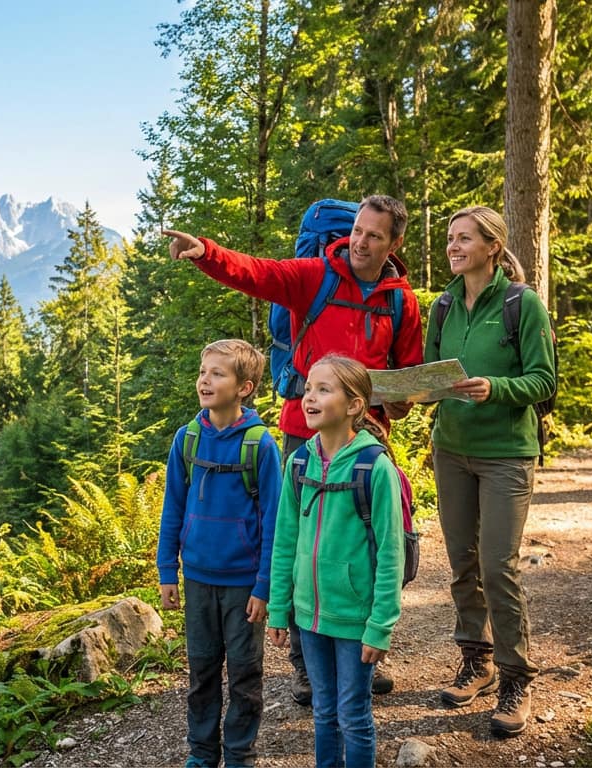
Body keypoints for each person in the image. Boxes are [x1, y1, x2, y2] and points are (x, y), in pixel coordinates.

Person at [163, 194, 422, 702]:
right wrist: (206, 253)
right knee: (303, 543)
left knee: (366, 545)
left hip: (365, 440)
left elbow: (407, 372)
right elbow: (258, 273)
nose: (361, 242)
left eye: (374, 235)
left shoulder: (399, 299)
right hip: (304, 434)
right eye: (357, 231)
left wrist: (400, 400)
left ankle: (363, 652)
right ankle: (307, 664)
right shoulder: (315, 276)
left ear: (395, 242)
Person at [424, 206, 557, 737]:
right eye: (450, 239)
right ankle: (476, 662)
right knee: (462, 562)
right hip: (451, 449)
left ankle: (515, 677)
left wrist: (495, 388)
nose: (453, 247)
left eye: (463, 239)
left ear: (492, 248)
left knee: (498, 566)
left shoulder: (522, 305)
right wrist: (409, 396)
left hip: (506, 452)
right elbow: (432, 376)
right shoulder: (442, 306)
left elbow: (544, 381)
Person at [267, 355, 403, 768]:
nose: (310, 397)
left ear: (355, 405)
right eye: (309, 388)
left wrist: (380, 627)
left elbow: (391, 553)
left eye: (324, 390)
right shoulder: (298, 462)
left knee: (354, 715)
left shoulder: (375, 468)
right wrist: (278, 608)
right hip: (308, 618)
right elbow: (284, 541)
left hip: (354, 619)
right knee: (324, 713)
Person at [158, 338, 284, 768]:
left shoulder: (261, 445)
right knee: (202, 672)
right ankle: (201, 753)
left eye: (217, 373)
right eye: (202, 372)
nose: (204, 381)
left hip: (243, 583)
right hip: (196, 577)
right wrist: (166, 572)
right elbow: (172, 506)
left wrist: (265, 587)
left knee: (246, 675)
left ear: (244, 387)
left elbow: (275, 524)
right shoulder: (187, 439)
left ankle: (240, 755)